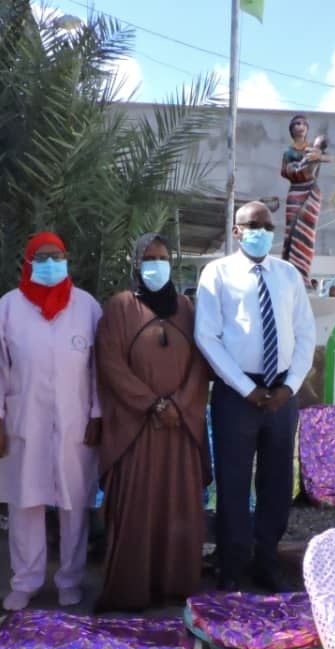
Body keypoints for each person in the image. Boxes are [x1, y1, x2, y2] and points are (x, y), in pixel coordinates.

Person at [195, 200, 317, 591]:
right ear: (236, 231)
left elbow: (305, 334)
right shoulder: (217, 273)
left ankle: (267, 560)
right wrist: (247, 389)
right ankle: (232, 565)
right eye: (252, 226)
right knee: (232, 482)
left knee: (277, 481)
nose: (261, 232)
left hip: (282, 393)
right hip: (236, 394)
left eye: (267, 226)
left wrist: (289, 387)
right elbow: (207, 336)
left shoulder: (288, 275)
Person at [0, 232, 102, 611]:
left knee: (74, 505)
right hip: (24, 423)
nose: (51, 264)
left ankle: (70, 579)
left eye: (58, 256)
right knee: (25, 503)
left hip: (75, 424)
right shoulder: (7, 308)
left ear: (67, 259)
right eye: (42, 257)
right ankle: (25, 580)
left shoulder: (87, 307)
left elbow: (100, 368)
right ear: (28, 262)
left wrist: (98, 414)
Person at [93, 233, 210, 611]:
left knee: (179, 507)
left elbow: (200, 362)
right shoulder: (119, 307)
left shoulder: (186, 308)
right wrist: (153, 405)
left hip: (180, 427)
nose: (156, 265)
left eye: (162, 258)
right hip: (137, 428)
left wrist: (179, 404)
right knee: (136, 509)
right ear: (135, 263)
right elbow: (110, 364)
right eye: (149, 258)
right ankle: (131, 590)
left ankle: (175, 585)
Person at [280, 115, 330, 286]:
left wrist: (318, 156)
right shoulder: (289, 151)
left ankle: (303, 276)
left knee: (307, 234)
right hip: (296, 191)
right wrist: (302, 165)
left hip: (312, 192)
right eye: (296, 124)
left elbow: (328, 159)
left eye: (303, 124)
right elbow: (286, 170)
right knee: (292, 233)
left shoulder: (313, 150)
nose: (300, 127)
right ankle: (291, 274)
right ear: (291, 128)